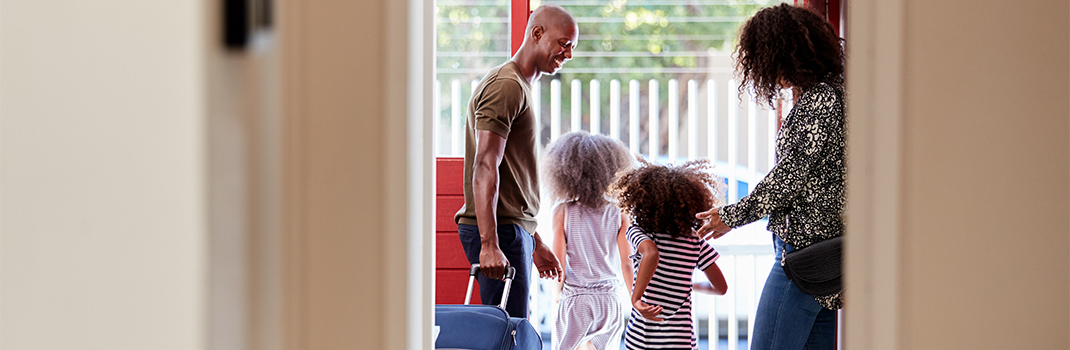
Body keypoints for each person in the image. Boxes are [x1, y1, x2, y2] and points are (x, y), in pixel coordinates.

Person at [695, 4, 846, 349]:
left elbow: (788, 180)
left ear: (784, 54)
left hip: (804, 256)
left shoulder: (819, 102)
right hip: (824, 255)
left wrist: (729, 217)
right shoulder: (834, 95)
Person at [453, 5, 578, 318]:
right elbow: (484, 165)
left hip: (511, 230)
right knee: (506, 335)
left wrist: (534, 243)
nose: (568, 54)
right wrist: (489, 244)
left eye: (572, 47)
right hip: (500, 233)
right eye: (563, 44)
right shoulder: (506, 86)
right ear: (537, 33)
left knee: (513, 331)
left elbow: (512, 181)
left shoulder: (519, 86)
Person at [611, 159, 728, 350]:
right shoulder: (695, 240)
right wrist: (692, 286)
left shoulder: (638, 232)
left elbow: (651, 253)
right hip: (681, 339)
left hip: (643, 338)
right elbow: (721, 288)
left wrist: (636, 298)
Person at [542, 132, 635, 350]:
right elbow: (627, 263)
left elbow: (558, 263)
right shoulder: (619, 212)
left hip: (576, 300)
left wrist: (556, 297)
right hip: (609, 300)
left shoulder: (562, 212)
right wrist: (634, 298)